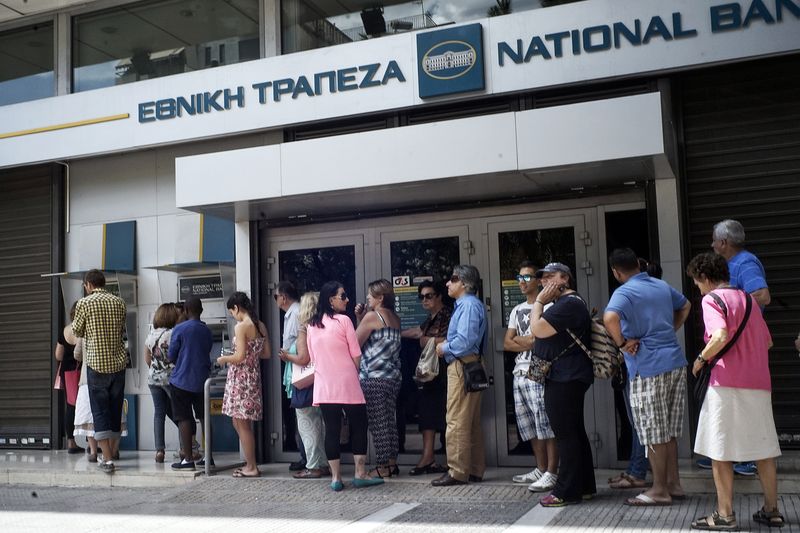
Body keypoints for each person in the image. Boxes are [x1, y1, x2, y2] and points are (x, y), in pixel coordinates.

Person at [687, 252, 784, 530]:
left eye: (697, 282)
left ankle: (725, 515)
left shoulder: (711, 300)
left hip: (725, 383)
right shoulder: (750, 301)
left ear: (705, 277)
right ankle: (772, 510)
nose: (698, 289)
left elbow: (720, 335)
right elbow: (767, 342)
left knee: (720, 449)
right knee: (764, 448)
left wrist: (701, 359)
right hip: (759, 382)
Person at [604, 248, 691, 506]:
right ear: (637, 265)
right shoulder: (660, 285)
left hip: (648, 366)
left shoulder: (625, 292)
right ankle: (674, 484)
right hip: (674, 362)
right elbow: (685, 305)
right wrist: (671, 329)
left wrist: (622, 344)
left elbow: (609, 318)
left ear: (616, 272)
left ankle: (659, 490)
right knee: (669, 431)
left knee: (652, 432)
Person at [306, 281, 383, 491]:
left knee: (332, 430)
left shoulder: (312, 325)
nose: (347, 299)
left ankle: (336, 478)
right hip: (347, 382)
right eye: (343, 296)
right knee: (359, 425)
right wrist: (353, 371)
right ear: (331, 300)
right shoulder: (344, 320)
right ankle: (360, 473)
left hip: (324, 385)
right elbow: (356, 353)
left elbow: (312, 357)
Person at [707, 219, 770, 476]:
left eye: (714, 241)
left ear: (724, 242)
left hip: (744, 345)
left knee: (746, 402)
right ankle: (730, 456)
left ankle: (749, 459)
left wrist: (730, 309)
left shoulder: (745, 263)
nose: (712, 245)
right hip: (734, 346)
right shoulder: (731, 264)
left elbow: (762, 295)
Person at [531, 263, 596, 507]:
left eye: (551, 277)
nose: (545, 282)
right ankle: (584, 485)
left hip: (566, 377)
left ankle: (566, 491)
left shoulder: (569, 304)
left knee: (565, 434)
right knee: (574, 431)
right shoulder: (565, 303)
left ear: (565, 279)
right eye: (542, 278)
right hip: (565, 375)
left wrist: (539, 302)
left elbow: (537, 329)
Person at [504, 261, 558, 492]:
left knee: (546, 423)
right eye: (519, 277)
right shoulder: (516, 310)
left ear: (538, 281)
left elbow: (543, 340)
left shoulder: (550, 306)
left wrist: (523, 340)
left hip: (540, 370)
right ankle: (540, 468)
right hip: (520, 371)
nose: (522, 282)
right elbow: (507, 343)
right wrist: (528, 341)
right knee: (528, 425)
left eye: (527, 277)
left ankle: (552, 471)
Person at [432, 265, 487, 487]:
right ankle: (474, 469)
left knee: (456, 419)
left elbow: (464, 341)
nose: (448, 283)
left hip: (462, 365)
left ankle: (457, 471)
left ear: (464, 283)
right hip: (470, 364)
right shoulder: (470, 305)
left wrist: (443, 347)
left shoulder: (468, 305)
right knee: (470, 420)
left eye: (453, 279)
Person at [71, 269, 127, 474]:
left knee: (100, 412)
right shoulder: (119, 302)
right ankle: (110, 452)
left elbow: (77, 331)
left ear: (88, 284)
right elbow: (121, 329)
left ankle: (108, 459)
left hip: (96, 365)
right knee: (114, 410)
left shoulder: (84, 303)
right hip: (118, 365)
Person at [217, 292, 271, 478]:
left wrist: (224, 359)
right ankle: (250, 464)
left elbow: (239, 356)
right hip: (252, 377)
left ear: (236, 308)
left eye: (232, 312)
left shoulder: (241, 327)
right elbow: (266, 353)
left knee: (242, 424)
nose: (233, 316)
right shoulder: (260, 325)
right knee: (239, 422)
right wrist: (251, 355)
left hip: (240, 379)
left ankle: (251, 466)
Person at [401, 280, 450, 476]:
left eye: (428, 296)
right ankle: (427, 458)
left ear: (439, 296)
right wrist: (393, 332)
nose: (424, 300)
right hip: (430, 375)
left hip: (445, 372)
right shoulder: (430, 318)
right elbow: (417, 332)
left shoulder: (448, 314)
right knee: (427, 414)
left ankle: (452, 461)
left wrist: (426, 340)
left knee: (448, 417)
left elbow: (451, 338)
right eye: (421, 297)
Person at [279, 292, 330, 479]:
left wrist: (286, 356)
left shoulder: (304, 328)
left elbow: (303, 358)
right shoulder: (324, 326)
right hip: (322, 382)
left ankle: (314, 466)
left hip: (305, 384)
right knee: (321, 427)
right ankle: (323, 464)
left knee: (308, 427)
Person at [355, 279, 402, 478]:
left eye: (370, 294)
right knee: (389, 421)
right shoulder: (395, 318)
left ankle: (382, 467)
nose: (367, 297)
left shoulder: (372, 317)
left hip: (373, 377)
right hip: (392, 377)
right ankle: (392, 463)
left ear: (380, 297)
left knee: (378, 423)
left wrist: (360, 318)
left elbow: (354, 343)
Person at [168, 295, 213, 471]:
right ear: (201, 310)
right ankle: (209, 457)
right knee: (204, 418)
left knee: (184, 418)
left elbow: (171, 355)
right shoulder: (206, 330)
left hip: (181, 380)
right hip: (202, 380)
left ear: (186, 311)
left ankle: (188, 459)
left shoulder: (180, 329)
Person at [274, 281, 307, 472]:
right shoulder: (293, 313)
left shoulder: (295, 314)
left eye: (276, 296)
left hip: (298, 367)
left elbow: (298, 344)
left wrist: (286, 355)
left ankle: (306, 457)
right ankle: (305, 456)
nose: (275, 300)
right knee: (299, 413)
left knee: (302, 413)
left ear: (283, 297)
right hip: (294, 366)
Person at [144, 303, 180, 463]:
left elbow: (147, 358)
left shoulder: (151, 334)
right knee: (180, 412)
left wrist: (156, 371)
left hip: (153, 379)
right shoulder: (173, 333)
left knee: (159, 414)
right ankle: (185, 448)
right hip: (172, 379)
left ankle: (159, 450)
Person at [55, 302, 83, 454]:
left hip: (67, 373)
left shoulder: (65, 330)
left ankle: (71, 442)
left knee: (70, 405)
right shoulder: (84, 329)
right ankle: (92, 442)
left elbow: (58, 355)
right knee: (88, 405)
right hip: (82, 371)